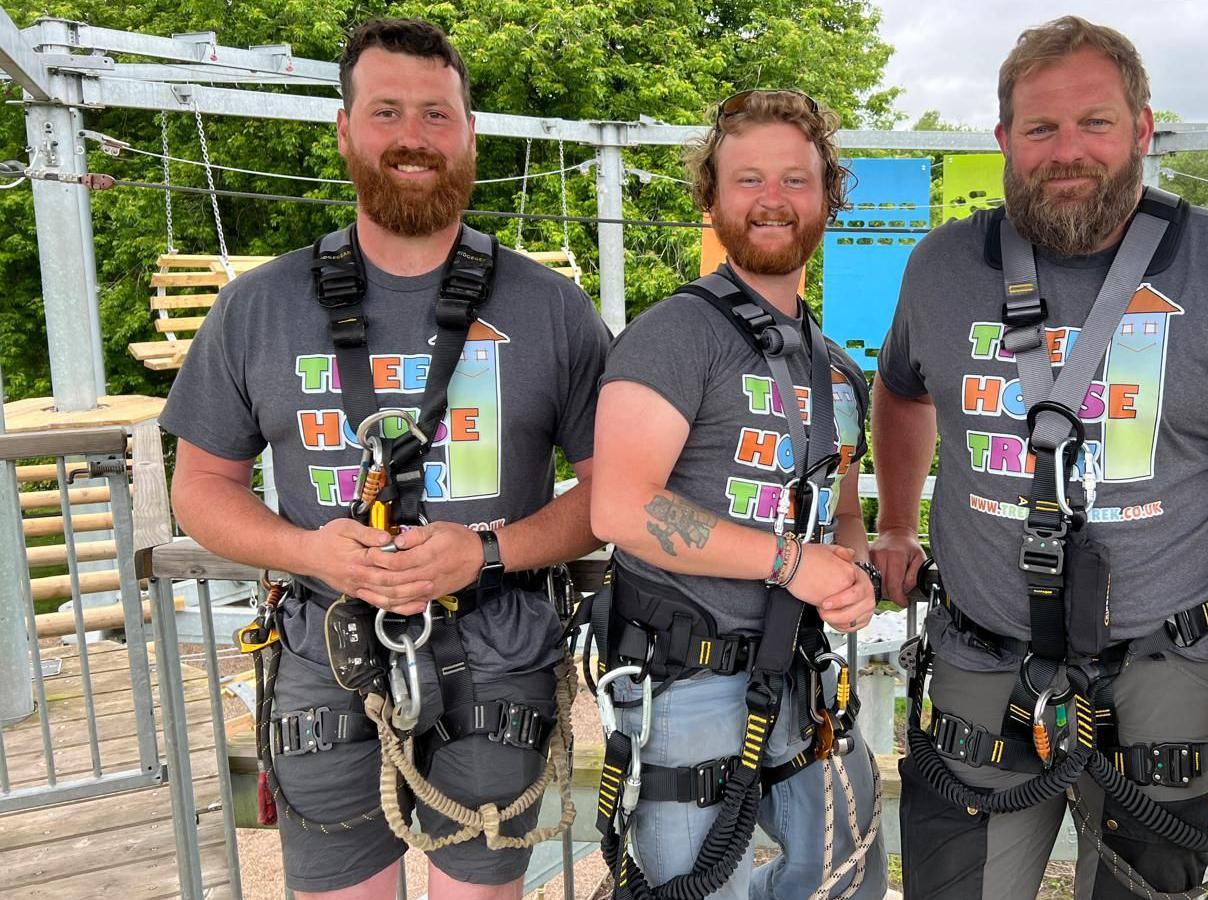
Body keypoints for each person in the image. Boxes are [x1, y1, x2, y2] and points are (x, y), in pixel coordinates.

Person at [871, 15, 1208, 900]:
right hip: (982, 663)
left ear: (1143, 128)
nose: (1067, 151)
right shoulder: (941, 268)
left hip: (1170, 669)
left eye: (1094, 122)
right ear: (1005, 138)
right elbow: (900, 389)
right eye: (1041, 128)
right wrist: (894, 522)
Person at [160, 18, 610, 898]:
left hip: (497, 647)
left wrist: (486, 550)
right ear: (345, 130)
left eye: (438, 115)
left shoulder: (552, 309)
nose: (413, 136)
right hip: (323, 646)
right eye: (388, 112)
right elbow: (201, 488)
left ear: (470, 134)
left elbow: (610, 495)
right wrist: (310, 551)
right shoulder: (260, 307)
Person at [588, 89, 886, 900]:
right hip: (687, 677)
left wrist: (849, 567)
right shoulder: (676, 335)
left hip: (798, 668)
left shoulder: (835, 368)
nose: (773, 199)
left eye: (795, 179)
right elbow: (618, 504)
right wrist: (794, 565)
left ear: (828, 195)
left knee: (843, 874)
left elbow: (843, 509)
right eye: (747, 179)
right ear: (711, 198)